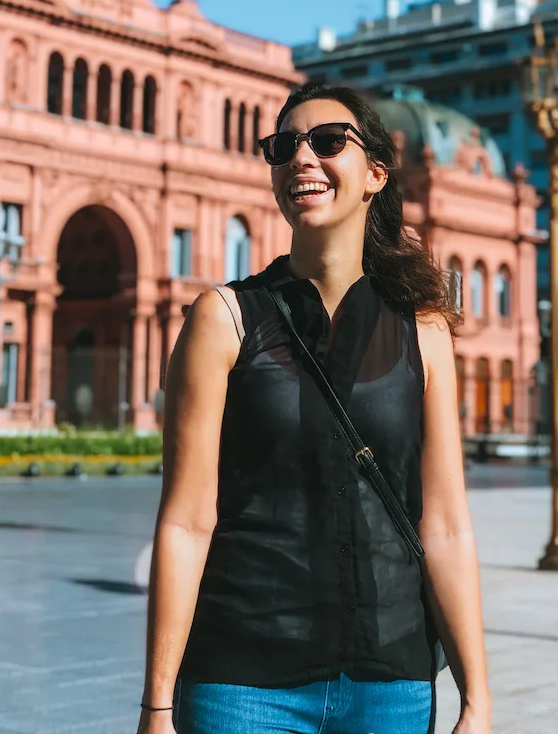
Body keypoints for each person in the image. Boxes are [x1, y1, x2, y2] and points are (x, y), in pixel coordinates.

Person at [136, 83, 490, 734]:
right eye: (283, 146)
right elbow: (186, 521)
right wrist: (158, 704)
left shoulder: (424, 331)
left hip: (391, 682)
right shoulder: (225, 318)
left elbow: (445, 524)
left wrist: (478, 699)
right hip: (242, 682)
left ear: (375, 175)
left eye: (328, 142)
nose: (302, 157)